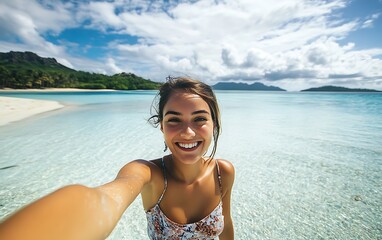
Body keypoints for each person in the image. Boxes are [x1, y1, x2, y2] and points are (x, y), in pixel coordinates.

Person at [0, 76, 235, 240]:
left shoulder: (223, 172)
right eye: (174, 119)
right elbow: (102, 201)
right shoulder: (149, 174)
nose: (188, 132)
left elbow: (226, 225)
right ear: (161, 126)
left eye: (200, 119)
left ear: (214, 124)